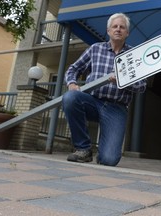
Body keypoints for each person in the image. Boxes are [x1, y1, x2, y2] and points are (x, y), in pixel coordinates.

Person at [62, 13, 147, 166]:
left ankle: (103, 151)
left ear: (127, 33)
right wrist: (72, 84)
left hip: (117, 108)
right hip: (92, 101)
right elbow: (73, 69)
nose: (118, 29)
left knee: (109, 160)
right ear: (108, 31)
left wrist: (122, 81)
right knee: (70, 97)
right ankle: (83, 149)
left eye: (122, 27)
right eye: (115, 26)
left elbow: (142, 86)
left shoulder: (134, 55)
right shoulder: (95, 49)